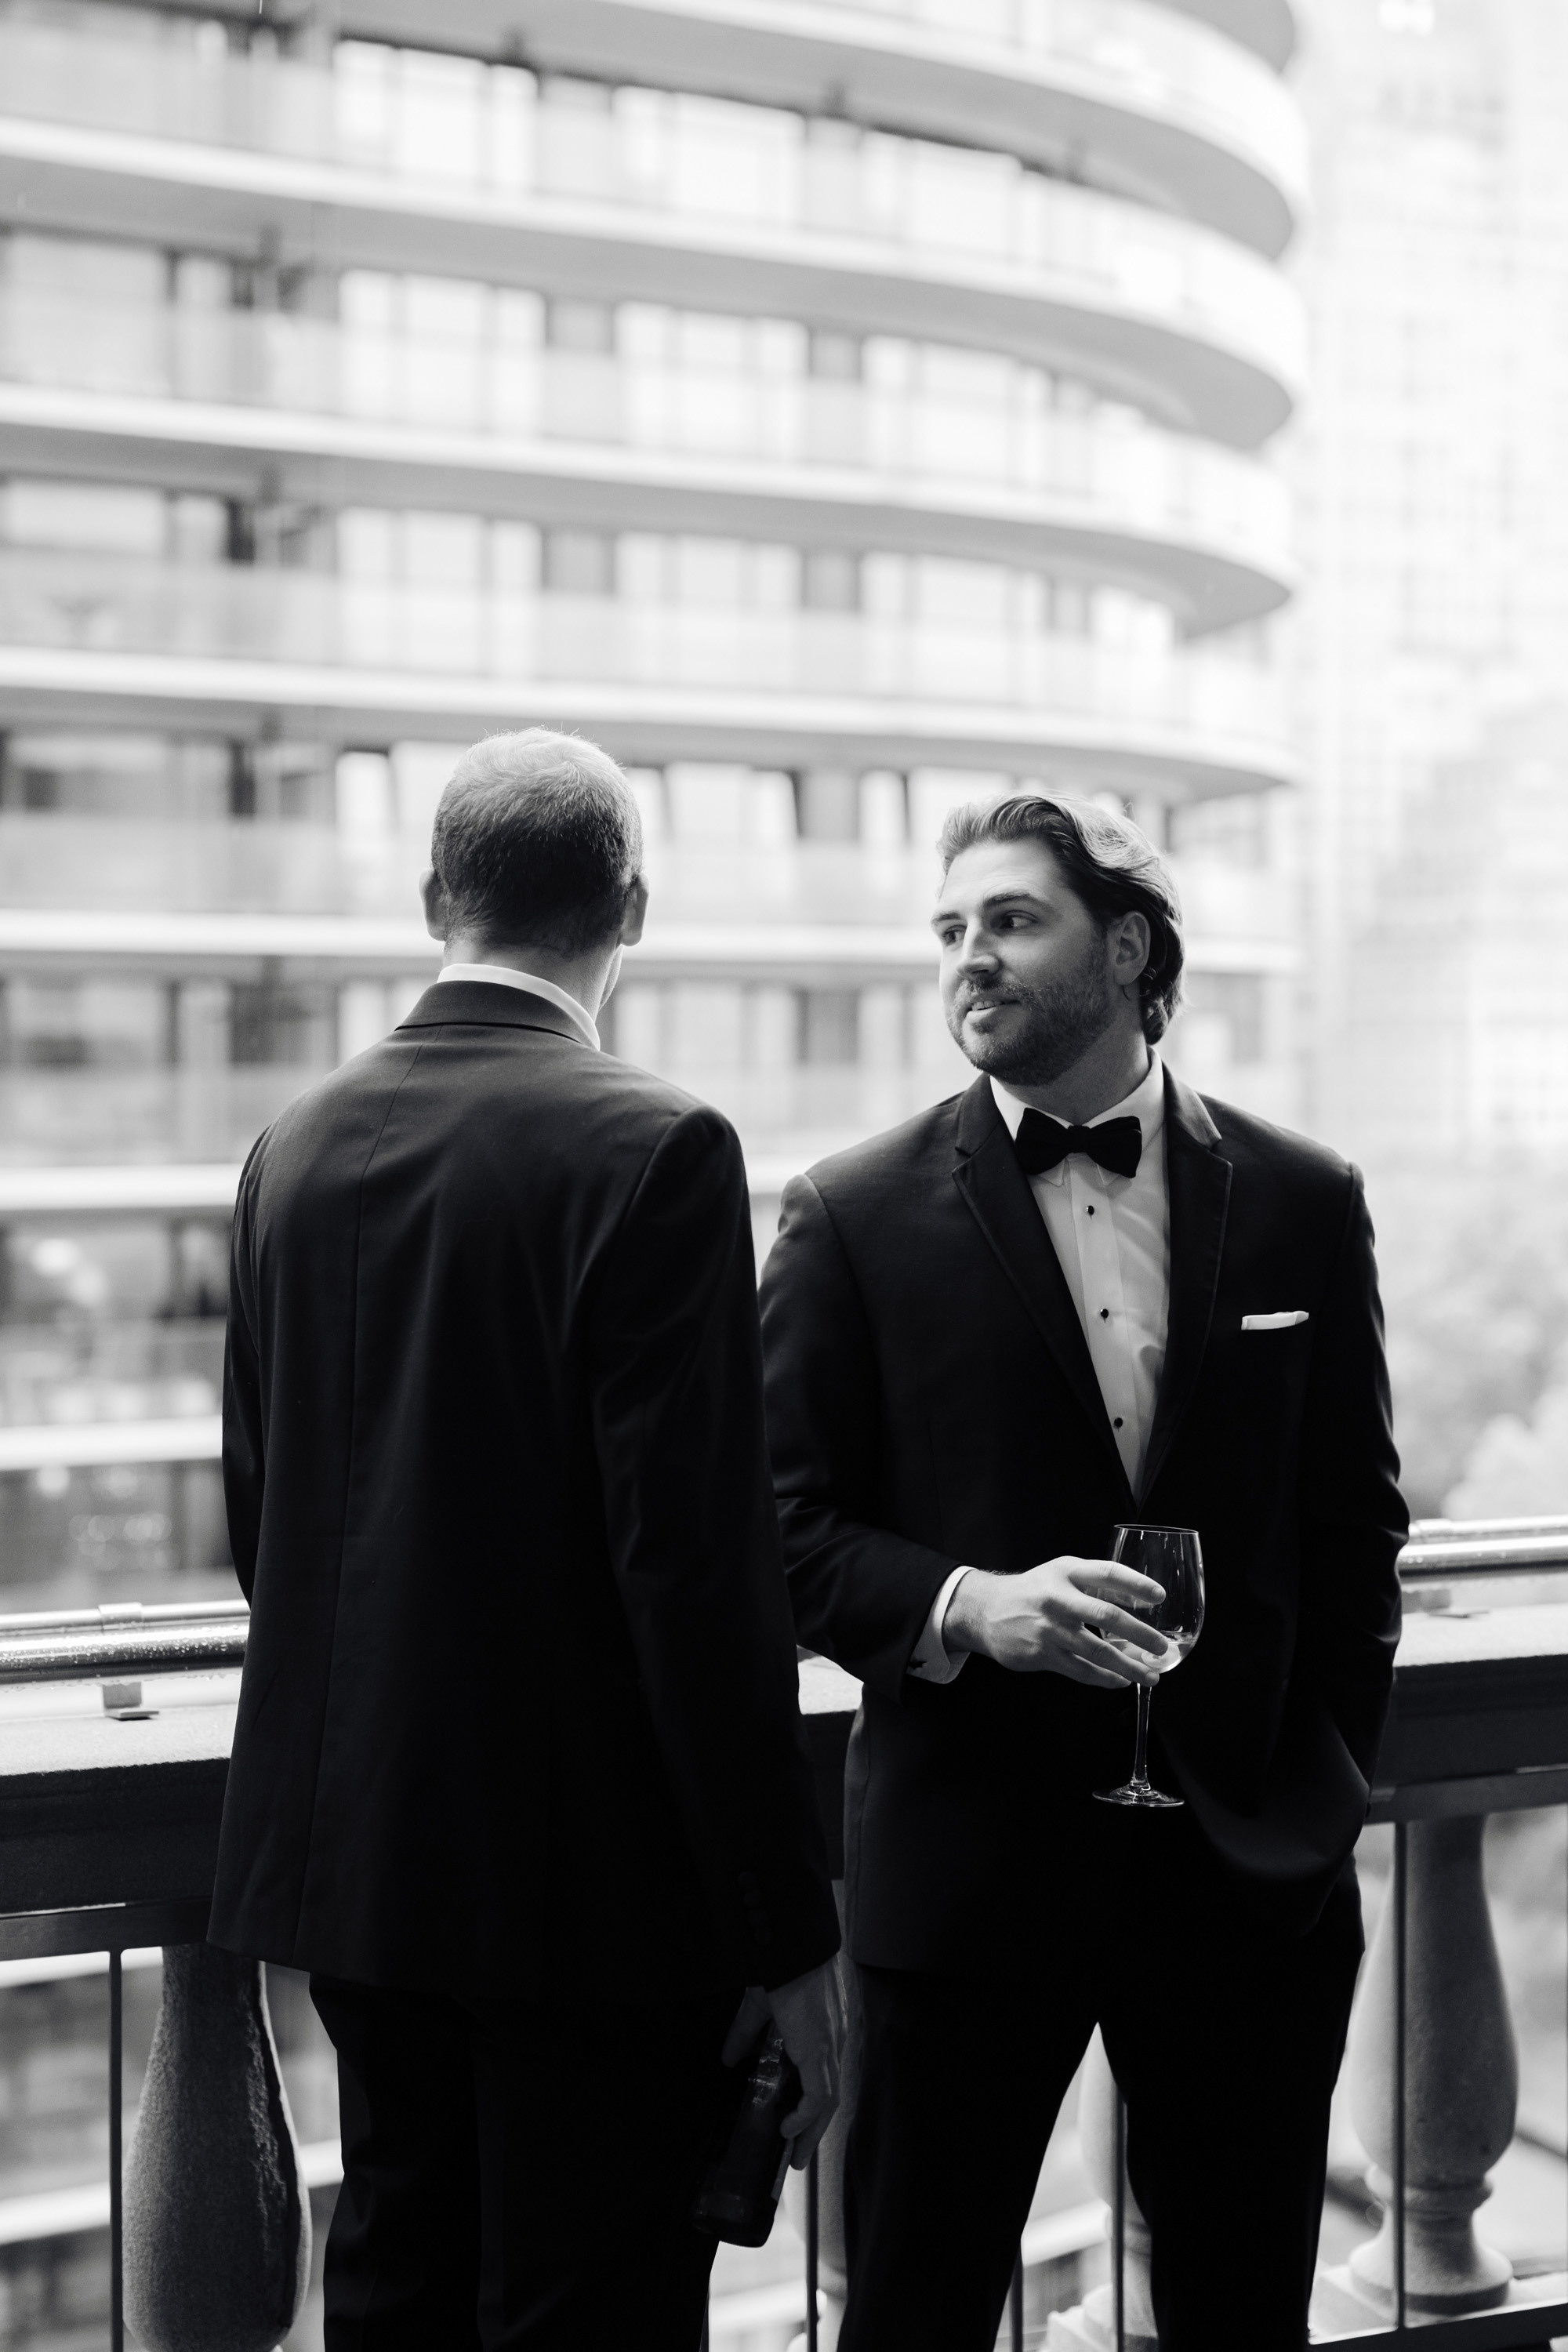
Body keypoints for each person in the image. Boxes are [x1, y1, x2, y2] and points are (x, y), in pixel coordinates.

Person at [210, 728, 843, 2350]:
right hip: (590, 1907)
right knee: (591, 2314)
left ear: (437, 897)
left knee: (395, 2289)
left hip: (357, 1877)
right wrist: (785, 1929)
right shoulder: (658, 1149)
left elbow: (259, 1518)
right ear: (632, 905)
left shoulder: (289, 1148)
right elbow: (695, 1578)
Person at [759, 793, 1405, 2352]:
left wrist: (1311, 1793)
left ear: (1124, 948)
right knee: (911, 2311)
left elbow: (1354, 1524)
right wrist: (969, 1608)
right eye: (951, 931)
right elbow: (776, 1531)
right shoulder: (846, 1217)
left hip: (1243, 1882)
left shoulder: (1305, 1200)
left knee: (1241, 2314)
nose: (968, 959)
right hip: (968, 1881)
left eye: (1010, 920)